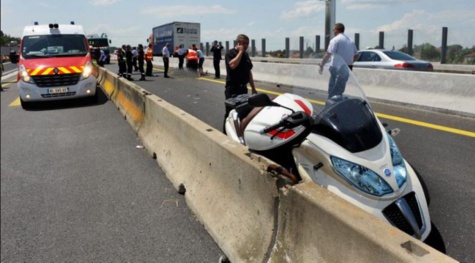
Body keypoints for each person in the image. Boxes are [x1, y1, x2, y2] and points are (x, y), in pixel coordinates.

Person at [223, 34, 257, 133]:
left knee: (243, 113)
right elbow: (232, 65)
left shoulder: (246, 55)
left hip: (243, 89)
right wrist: (240, 52)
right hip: (232, 89)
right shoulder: (230, 53)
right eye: (244, 43)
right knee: (230, 114)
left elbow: (249, 72)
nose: (246, 46)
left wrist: (253, 88)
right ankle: (225, 134)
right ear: (238, 43)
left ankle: (239, 134)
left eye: (247, 44)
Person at [318, 23, 358, 99]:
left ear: (336, 30)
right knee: (340, 89)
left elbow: (328, 54)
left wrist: (321, 64)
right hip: (347, 68)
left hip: (336, 68)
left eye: (334, 29)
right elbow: (356, 55)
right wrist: (349, 62)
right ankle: (338, 103)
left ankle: (330, 105)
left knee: (332, 90)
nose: (333, 31)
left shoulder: (335, 40)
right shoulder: (351, 41)